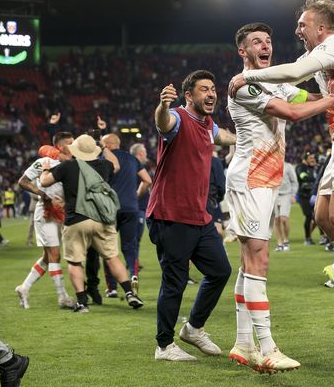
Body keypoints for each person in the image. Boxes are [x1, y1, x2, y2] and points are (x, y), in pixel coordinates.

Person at [228, 0, 334, 328]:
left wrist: (246, 77)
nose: (297, 30)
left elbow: (292, 73)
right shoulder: (317, 55)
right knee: (321, 215)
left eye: (302, 25)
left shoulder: (333, 47)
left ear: (320, 28)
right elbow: (302, 90)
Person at [226, 22, 334, 373]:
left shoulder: (274, 81)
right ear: (243, 51)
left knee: (249, 263)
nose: (265, 45)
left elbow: (305, 99)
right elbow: (292, 113)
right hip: (251, 181)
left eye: (267, 40)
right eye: (256, 42)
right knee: (258, 262)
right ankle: (267, 348)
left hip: (265, 180)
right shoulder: (243, 86)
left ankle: (242, 343)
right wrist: (333, 100)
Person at [148, 70, 235, 362]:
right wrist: (162, 105)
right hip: (171, 215)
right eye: (204, 90)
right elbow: (164, 122)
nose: (211, 94)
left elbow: (223, 137)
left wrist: (254, 135)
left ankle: (193, 328)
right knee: (174, 281)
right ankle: (164, 346)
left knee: (220, 271)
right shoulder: (177, 118)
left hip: (200, 217)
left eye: (213, 89)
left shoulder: (208, 123)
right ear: (189, 95)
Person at [39, 134, 144, 313]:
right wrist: (104, 148)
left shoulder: (67, 166)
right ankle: (129, 293)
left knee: (75, 262)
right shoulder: (104, 166)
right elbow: (116, 164)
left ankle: (82, 303)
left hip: (76, 220)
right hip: (102, 219)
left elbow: (44, 182)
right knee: (112, 257)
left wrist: (45, 169)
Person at [16, 131, 76, 309]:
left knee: (48, 257)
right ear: (60, 145)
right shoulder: (44, 162)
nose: (73, 145)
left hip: (62, 213)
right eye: (69, 142)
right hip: (46, 213)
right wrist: (43, 195)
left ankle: (24, 288)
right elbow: (23, 181)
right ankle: (62, 297)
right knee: (55, 255)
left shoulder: (71, 163)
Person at [100, 133, 152, 297]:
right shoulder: (132, 159)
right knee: (130, 247)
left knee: (109, 248)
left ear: (106, 145)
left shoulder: (103, 160)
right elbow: (147, 180)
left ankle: (112, 287)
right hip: (131, 208)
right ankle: (133, 276)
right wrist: (136, 196)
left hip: (110, 209)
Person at [273, 161, 298, 251]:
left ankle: (286, 240)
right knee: (276, 219)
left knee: (284, 218)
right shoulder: (270, 165)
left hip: (286, 194)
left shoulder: (288, 166)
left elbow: (294, 181)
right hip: (274, 194)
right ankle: (279, 243)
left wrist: (293, 194)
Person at [295, 152, 318, 245]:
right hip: (303, 196)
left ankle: (309, 236)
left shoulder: (313, 168)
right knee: (309, 215)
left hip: (312, 195)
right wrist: (316, 180)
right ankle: (307, 239)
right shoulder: (301, 167)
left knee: (317, 217)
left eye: (313, 158)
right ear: (305, 159)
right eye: (310, 158)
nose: (313, 160)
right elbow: (303, 177)